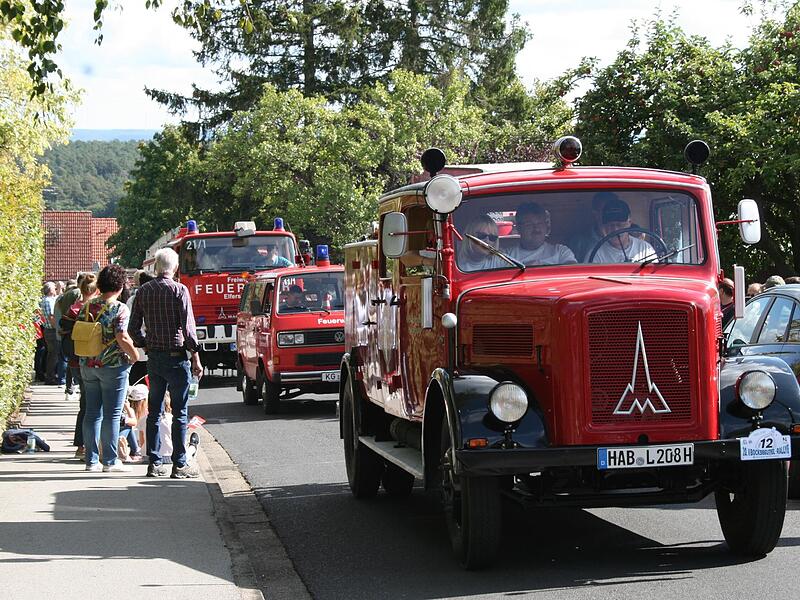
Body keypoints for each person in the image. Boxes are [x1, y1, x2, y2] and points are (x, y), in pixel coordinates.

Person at [128, 247, 202, 479]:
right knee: (180, 412)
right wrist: (196, 357)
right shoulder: (180, 291)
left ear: (156, 267)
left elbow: (132, 328)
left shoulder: (143, 291)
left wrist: (145, 344)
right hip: (176, 357)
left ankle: (154, 462)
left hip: (155, 357)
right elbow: (189, 331)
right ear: (176, 267)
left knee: (154, 411)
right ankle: (179, 464)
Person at [79, 265, 139, 473]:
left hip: (87, 363)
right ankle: (111, 461)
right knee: (112, 415)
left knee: (92, 412)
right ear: (120, 286)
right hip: (112, 366)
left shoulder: (87, 306)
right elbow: (122, 336)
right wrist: (134, 355)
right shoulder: (120, 308)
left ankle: (91, 461)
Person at [64, 273, 99, 459]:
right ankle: (88, 445)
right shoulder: (96, 309)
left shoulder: (73, 309)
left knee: (85, 404)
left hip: (75, 360)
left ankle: (81, 446)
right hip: (92, 361)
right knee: (92, 406)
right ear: (96, 290)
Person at [590, 197, 656, 263]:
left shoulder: (644, 248)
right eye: (611, 225)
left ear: (629, 222)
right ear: (604, 227)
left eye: (619, 225)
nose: (615, 229)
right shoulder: (596, 254)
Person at [509, 202, 576, 266]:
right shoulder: (506, 257)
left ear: (546, 225)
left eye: (540, 223)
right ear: (518, 228)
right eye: (529, 224)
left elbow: (574, 272)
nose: (536, 229)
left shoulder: (561, 252)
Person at [568, 191, 613, 262]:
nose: (610, 215)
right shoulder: (579, 242)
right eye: (605, 211)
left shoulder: (626, 238)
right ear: (596, 213)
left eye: (614, 211)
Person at [126, 270, 153, 386]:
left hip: (138, 349)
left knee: (136, 385)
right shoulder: (157, 297)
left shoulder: (132, 300)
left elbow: (129, 325)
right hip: (152, 349)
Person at [39, 281, 62, 385]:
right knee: (53, 355)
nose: (55, 289)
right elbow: (51, 316)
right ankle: (50, 377)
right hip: (52, 330)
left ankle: (50, 376)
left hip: (48, 330)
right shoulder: (48, 301)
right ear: (49, 290)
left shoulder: (45, 300)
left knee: (51, 354)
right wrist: (57, 328)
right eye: (54, 288)